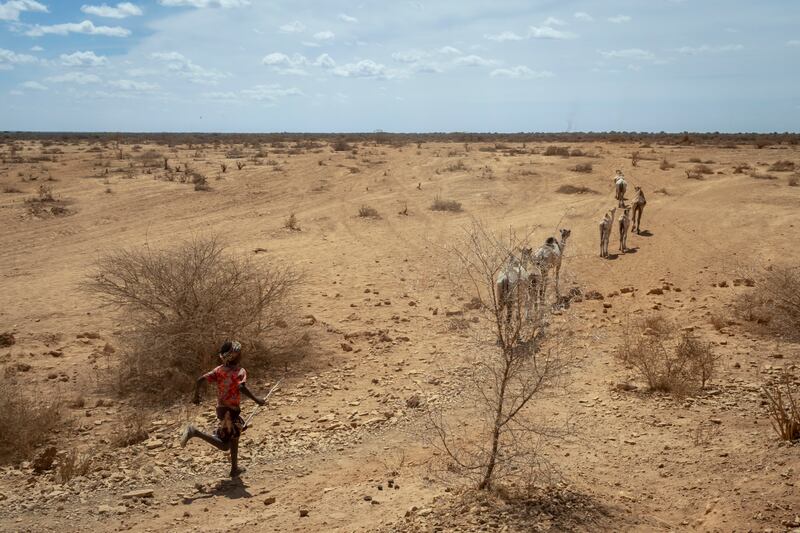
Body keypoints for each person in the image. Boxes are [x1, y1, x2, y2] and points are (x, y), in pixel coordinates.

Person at [180, 340, 266, 478]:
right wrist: (257, 400)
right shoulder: (240, 371)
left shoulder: (218, 370)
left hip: (221, 409)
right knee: (225, 445)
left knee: (235, 437)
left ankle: (234, 469)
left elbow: (199, 380)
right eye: (240, 353)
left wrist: (196, 397)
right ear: (235, 356)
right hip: (230, 411)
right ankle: (194, 432)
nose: (241, 355)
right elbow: (241, 387)